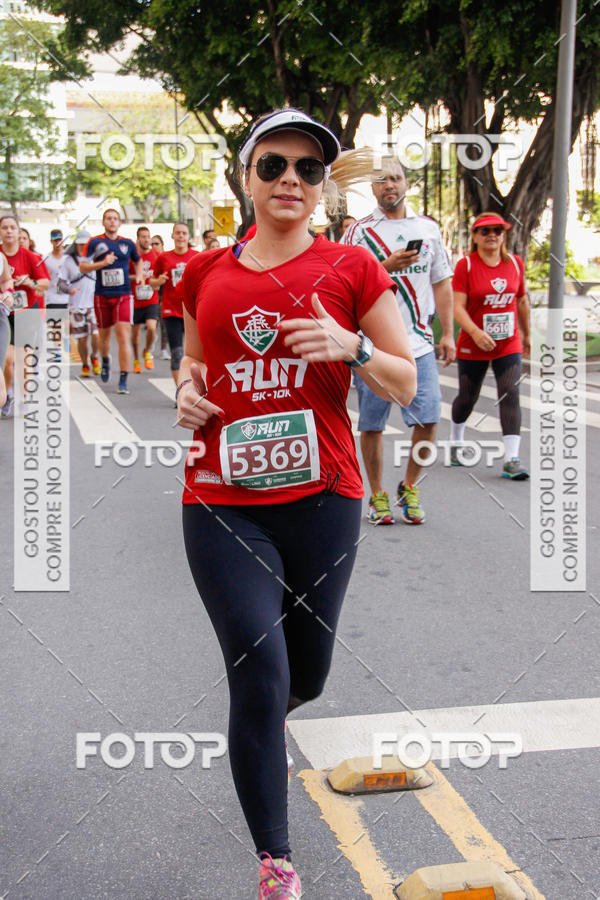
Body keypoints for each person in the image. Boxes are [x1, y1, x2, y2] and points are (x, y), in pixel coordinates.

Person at [177, 108, 415, 899]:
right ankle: (276, 862)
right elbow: (192, 358)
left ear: (319, 187)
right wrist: (186, 391)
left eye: (308, 169)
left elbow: (405, 382)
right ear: (245, 177)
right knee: (257, 662)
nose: (290, 180)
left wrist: (354, 348)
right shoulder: (204, 273)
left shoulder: (352, 269)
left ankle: (278, 712)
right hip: (222, 500)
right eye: (273, 165)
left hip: (325, 500)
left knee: (302, 678)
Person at [341, 158, 455, 525]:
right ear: (372, 189)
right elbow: (342, 283)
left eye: (396, 178)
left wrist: (448, 333)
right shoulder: (359, 232)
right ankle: (377, 495)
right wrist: (385, 266)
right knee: (372, 424)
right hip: (374, 346)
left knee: (430, 417)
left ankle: (409, 485)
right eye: (381, 180)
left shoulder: (428, 229)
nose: (389, 185)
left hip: (419, 343)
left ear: (406, 183)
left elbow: (442, 282)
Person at [450, 212, 530, 479]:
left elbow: (521, 301)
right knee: (467, 398)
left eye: (497, 230)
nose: (492, 235)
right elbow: (457, 307)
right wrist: (475, 332)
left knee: (510, 392)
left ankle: (511, 460)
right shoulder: (467, 266)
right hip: (474, 343)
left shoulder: (515, 264)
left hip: (508, 343)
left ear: (504, 234)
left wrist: (526, 336)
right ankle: (456, 439)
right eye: (485, 231)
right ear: (475, 237)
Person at [81, 209, 143, 394]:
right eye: (109, 218)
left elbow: (138, 261)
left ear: (119, 222)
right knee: (104, 337)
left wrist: (139, 275)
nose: (112, 221)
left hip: (123, 294)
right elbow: (83, 266)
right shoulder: (95, 242)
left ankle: (123, 378)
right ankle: (105, 359)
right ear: (103, 222)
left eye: (115, 218)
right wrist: (102, 263)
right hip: (101, 294)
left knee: (123, 335)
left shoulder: (127, 243)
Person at [0, 214, 49, 417]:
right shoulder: (0, 256)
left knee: (23, 359)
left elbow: (45, 284)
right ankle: (7, 393)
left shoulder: (30, 257)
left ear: (19, 232)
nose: (9, 231)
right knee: (7, 358)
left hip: (26, 310)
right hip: (4, 313)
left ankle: (24, 398)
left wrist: (30, 283)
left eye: (13, 227)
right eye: (5, 228)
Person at [149, 222, 198, 398]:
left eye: (184, 233)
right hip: (171, 310)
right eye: (177, 233)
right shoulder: (163, 258)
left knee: (196, 354)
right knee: (177, 353)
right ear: (172, 236)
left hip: (193, 311)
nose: (181, 236)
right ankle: (181, 393)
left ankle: (197, 389)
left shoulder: (197, 256)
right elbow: (152, 282)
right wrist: (159, 281)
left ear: (189, 237)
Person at [60, 230, 100, 377]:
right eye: (81, 244)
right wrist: (69, 289)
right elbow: (61, 283)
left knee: (96, 335)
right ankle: (85, 364)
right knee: (82, 339)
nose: (83, 247)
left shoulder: (96, 259)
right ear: (76, 245)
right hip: (76, 305)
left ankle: (94, 356)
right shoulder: (68, 262)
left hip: (93, 304)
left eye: (86, 244)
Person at [130, 226, 159, 373]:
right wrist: (137, 277)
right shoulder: (133, 257)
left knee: (152, 328)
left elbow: (161, 274)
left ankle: (147, 351)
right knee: (134, 336)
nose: (146, 239)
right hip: (135, 301)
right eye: (143, 236)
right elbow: (125, 276)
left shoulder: (156, 256)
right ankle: (136, 360)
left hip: (151, 299)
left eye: (148, 236)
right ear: (138, 239)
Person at [151, 235, 170, 360]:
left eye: (156, 243)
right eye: (152, 244)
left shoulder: (166, 259)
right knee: (152, 325)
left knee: (164, 326)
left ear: (162, 245)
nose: (154, 247)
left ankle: (164, 349)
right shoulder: (151, 259)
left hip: (165, 297)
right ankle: (151, 343)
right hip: (152, 296)